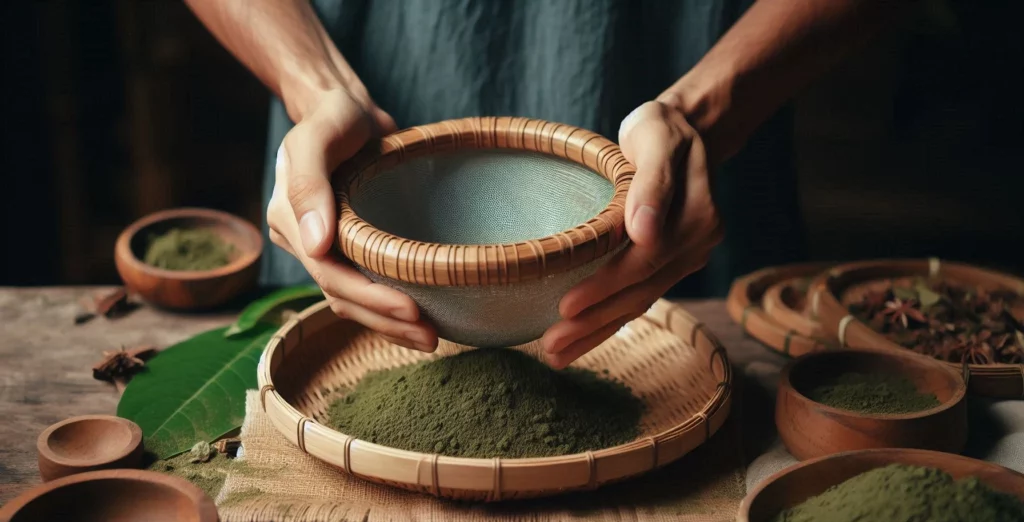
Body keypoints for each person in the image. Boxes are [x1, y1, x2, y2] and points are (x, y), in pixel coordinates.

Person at [186, 0, 902, 367]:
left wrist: (705, 113)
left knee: (713, 401)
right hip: (350, 125)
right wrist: (315, 87)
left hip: (694, 100)